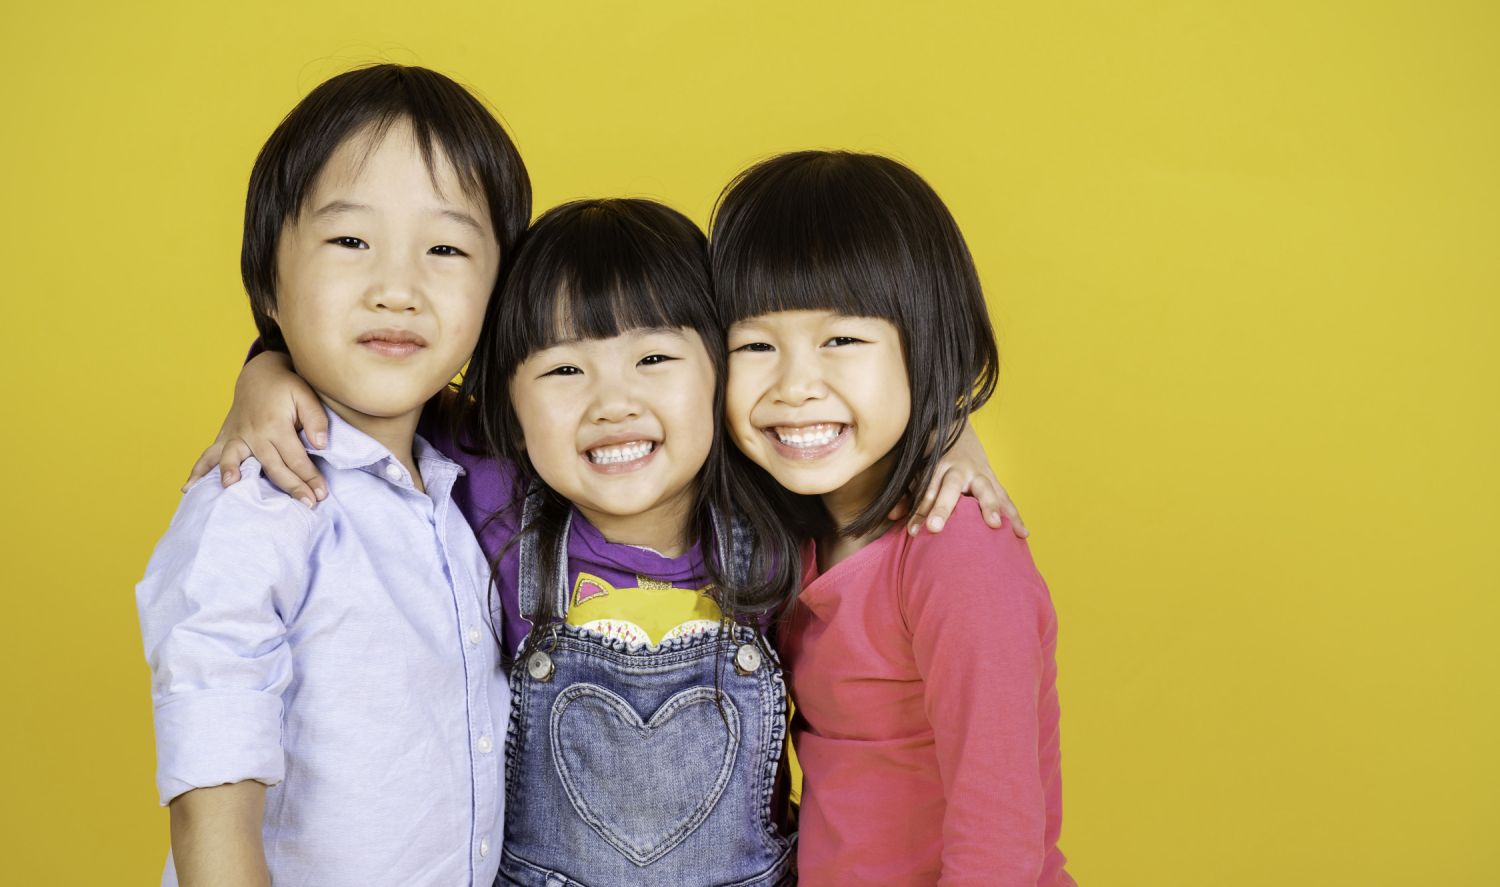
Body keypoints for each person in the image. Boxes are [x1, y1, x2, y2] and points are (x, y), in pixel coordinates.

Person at [135, 64, 529, 887]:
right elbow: (212, 775)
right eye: (350, 241)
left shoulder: (470, 487)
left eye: (447, 248)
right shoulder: (258, 500)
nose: (398, 289)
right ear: (266, 281)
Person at [710, 150, 1075, 886]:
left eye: (841, 340)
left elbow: (998, 848)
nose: (795, 386)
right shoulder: (789, 540)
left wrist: (950, 425)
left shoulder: (957, 551)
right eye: (755, 345)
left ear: (926, 345)